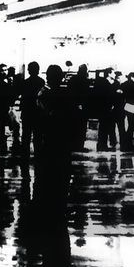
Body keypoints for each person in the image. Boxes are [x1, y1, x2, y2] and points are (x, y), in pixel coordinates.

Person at [33, 64, 85, 214]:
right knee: (63, 176)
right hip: (64, 142)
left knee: (45, 177)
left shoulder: (43, 94)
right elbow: (75, 118)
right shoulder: (68, 95)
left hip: (48, 140)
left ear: (47, 77)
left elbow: (40, 117)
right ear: (62, 77)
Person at [19, 61, 45, 156]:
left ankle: (24, 155)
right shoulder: (41, 82)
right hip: (38, 112)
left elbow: (23, 98)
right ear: (38, 70)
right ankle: (38, 155)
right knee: (38, 136)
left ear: (29, 71)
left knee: (26, 135)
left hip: (27, 112)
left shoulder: (25, 83)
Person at [92, 69, 117, 150]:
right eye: (113, 73)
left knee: (104, 126)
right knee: (104, 127)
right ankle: (102, 145)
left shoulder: (104, 82)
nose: (115, 74)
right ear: (109, 74)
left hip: (106, 108)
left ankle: (102, 144)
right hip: (105, 108)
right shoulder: (104, 83)